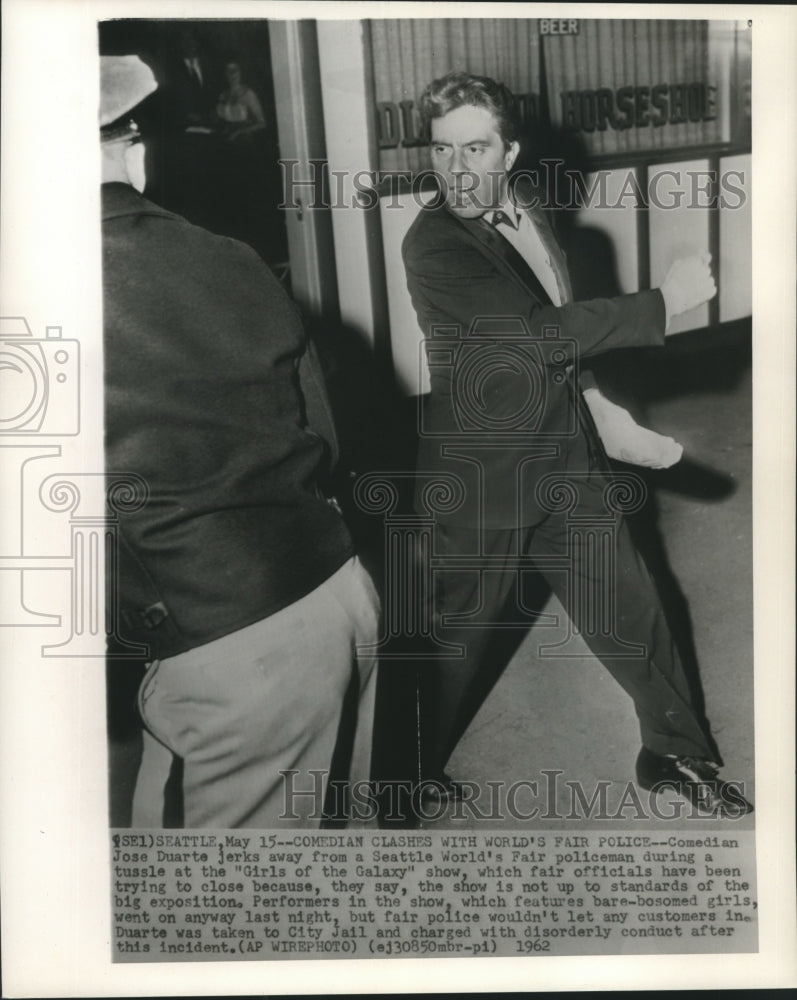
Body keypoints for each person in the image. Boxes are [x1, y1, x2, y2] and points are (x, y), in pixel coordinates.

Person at [401, 70, 751, 818]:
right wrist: (665, 303)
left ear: (509, 152)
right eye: (441, 150)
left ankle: (674, 750)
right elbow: (526, 338)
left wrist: (604, 415)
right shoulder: (432, 245)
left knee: (634, 607)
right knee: (452, 641)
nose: (457, 169)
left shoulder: (530, 211)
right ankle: (401, 771)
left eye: (474, 148)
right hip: (483, 475)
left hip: (564, 451)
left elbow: (559, 343)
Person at [100, 55, 379, 828]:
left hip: (219, 646)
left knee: (217, 924)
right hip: (336, 597)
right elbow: (324, 434)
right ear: (137, 152)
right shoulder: (232, 255)